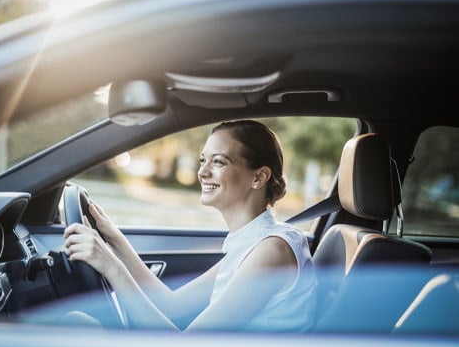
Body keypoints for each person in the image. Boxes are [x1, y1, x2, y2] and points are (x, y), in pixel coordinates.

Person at [63, 120, 317, 331]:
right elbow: (171, 305)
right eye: (202, 160)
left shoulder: (272, 251)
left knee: (76, 326)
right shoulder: (254, 243)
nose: (202, 172)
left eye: (218, 162)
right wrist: (115, 240)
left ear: (259, 177)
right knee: (78, 324)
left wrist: (111, 267)